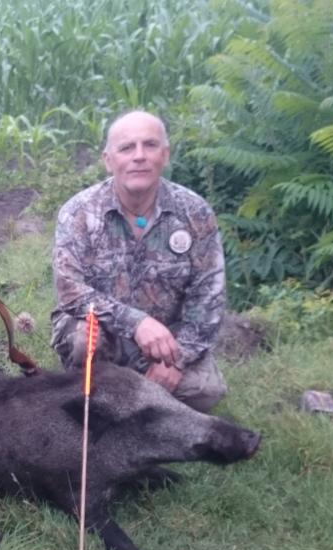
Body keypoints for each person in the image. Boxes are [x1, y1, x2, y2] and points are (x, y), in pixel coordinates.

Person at [50, 110, 228, 412]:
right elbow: (70, 290)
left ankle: (129, 398)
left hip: (165, 343)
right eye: (127, 148)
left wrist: (178, 358)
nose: (139, 156)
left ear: (166, 154)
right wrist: (136, 322)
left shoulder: (195, 213)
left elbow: (208, 296)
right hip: (104, 336)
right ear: (108, 159)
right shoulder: (79, 212)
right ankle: (97, 396)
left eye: (150, 145)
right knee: (84, 341)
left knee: (206, 391)